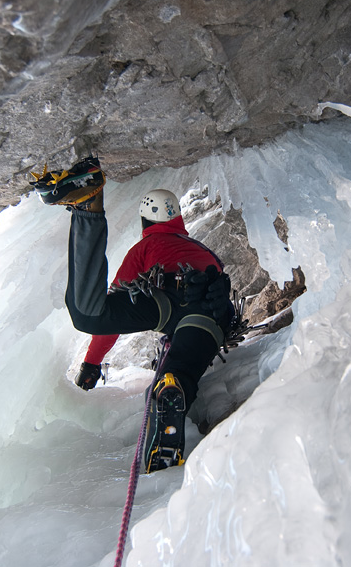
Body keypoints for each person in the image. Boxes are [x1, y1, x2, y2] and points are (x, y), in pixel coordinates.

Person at [30, 156, 232, 471]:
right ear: (177, 217)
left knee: (87, 313)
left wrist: (90, 365)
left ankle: (88, 208)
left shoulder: (143, 250)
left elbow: (110, 313)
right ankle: (172, 387)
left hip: (164, 302)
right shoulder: (202, 250)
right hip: (206, 308)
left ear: (145, 222)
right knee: (182, 367)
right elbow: (219, 289)